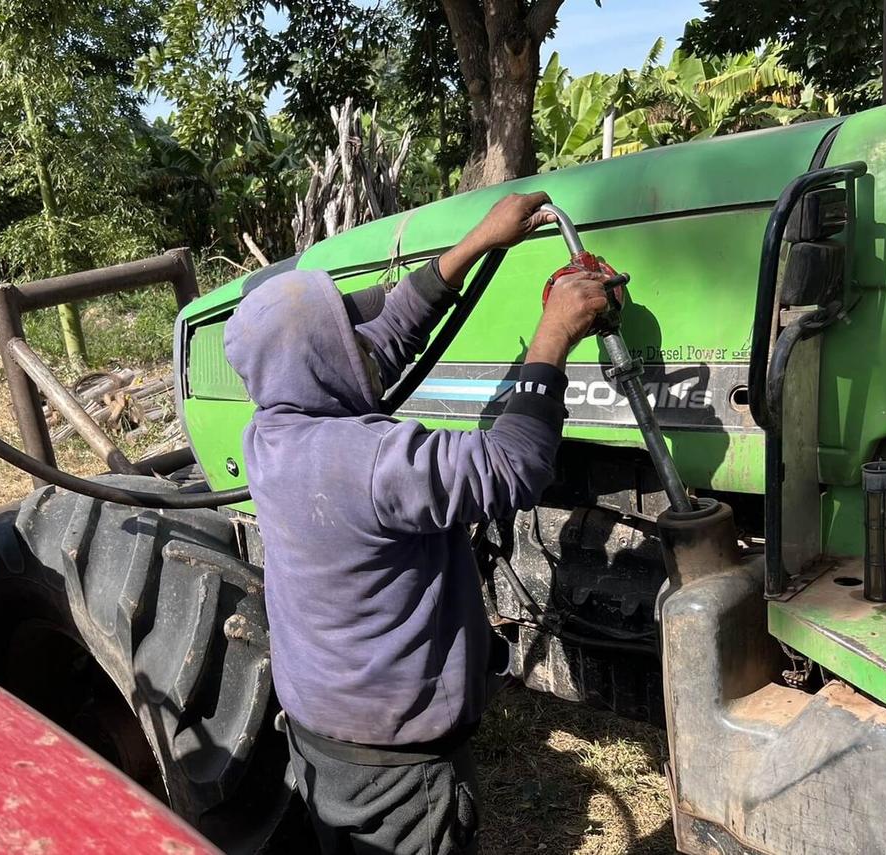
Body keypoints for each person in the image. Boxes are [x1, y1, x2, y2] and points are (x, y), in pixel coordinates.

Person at [224, 192, 613, 854]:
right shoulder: (368, 460)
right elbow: (512, 465)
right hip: (397, 769)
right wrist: (554, 335)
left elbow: (385, 341)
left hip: (323, 733)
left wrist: (476, 243)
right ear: (324, 362)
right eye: (345, 330)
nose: (362, 337)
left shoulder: (271, 427)